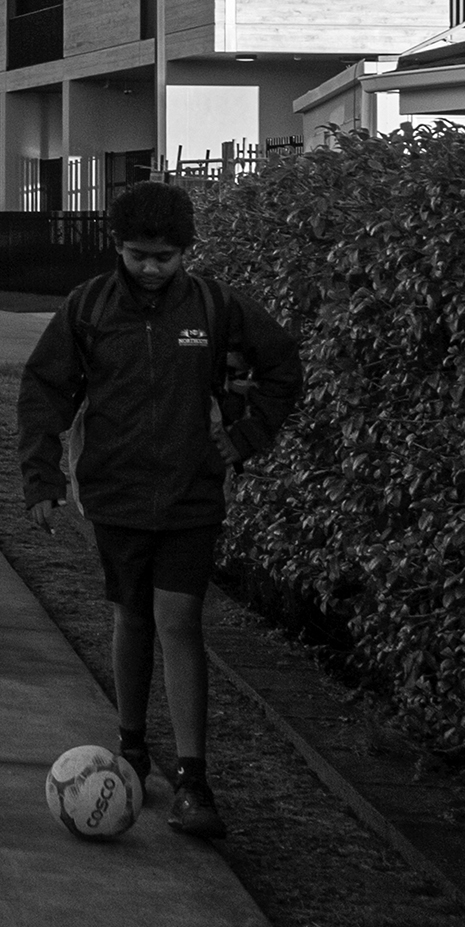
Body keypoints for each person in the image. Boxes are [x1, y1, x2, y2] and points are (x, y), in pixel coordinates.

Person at [17, 175, 301, 841]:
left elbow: (283, 365)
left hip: (191, 493)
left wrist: (242, 438)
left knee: (179, 618)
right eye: (138, 255)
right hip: (114, 492)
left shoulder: (215, 306)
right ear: (117, 246)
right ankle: (133, 747)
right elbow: (45, 388)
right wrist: (41, 477)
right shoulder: (88, 307)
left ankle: (194, 779)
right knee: (131, 615)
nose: (150, 269)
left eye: (165, 258)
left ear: (186, 252)